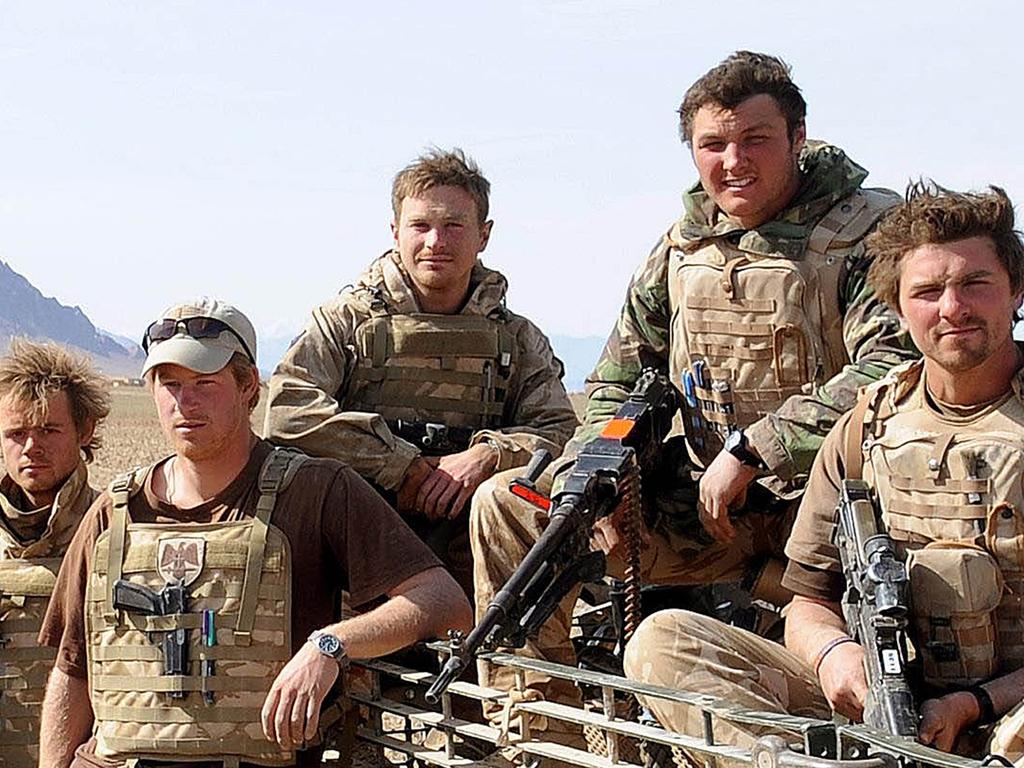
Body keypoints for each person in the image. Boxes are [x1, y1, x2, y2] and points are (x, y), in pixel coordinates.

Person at [470, 50, 915, 734]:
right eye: (713, 145)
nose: (733, 162)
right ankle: (538, 734)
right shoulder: (683, 248)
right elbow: (619, 372)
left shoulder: (870, 235)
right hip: (706, 512)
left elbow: (891, 368)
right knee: (515, 507)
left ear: (798, 138)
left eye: (754, 141)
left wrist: (758, 447)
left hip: (836, 513)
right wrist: (595, 472)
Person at [623, 183, 1024, 762]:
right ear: (898, 307)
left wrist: (973, 705)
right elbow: (808, 600)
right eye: (928, 291)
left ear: (1015, 291)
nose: (952, 308)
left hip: (1007, 710)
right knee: (663, 643)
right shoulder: (866, 426)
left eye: (975, 284)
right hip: (887, 704)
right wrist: (835, 655)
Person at [37, 297, 473, 768]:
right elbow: (72, 670)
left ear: (249, 387)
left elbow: (443, 602)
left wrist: (331, 645)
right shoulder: (114, 512)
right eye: (170, 384)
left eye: (205, 383)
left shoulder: (315, 491)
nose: (186, 403)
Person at [264, 148, 578, 598]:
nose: (436, 241)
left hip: (475, 544)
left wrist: (489, 456)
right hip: (360, 539)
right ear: (395, 232)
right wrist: (402, 467)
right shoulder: (344, 323)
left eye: (453, 226)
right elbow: (289, 413)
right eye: (420, 226)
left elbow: (559, 431)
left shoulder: (518, 340)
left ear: (483, 235)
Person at [0, 339, 109, 767]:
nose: (31, 446)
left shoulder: (118, 534)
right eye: (16, 433)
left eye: (48, 429)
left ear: (84, 432)